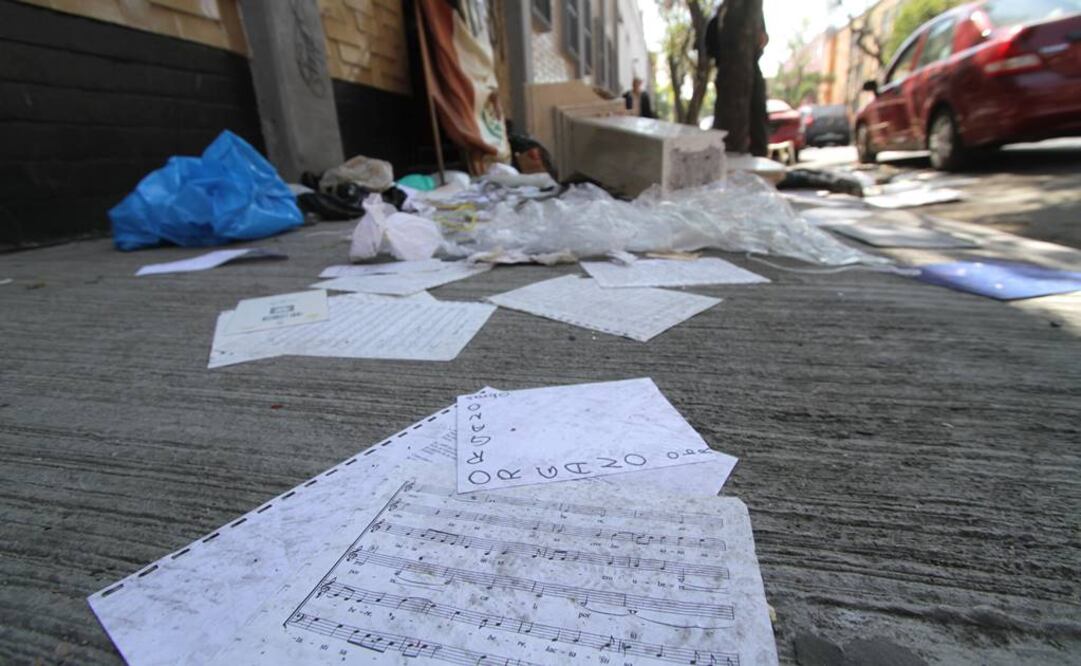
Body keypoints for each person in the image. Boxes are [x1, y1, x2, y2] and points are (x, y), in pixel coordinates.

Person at [705, 0, 769, 156]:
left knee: (757, 114)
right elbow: (709, 46)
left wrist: (762, 39)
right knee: (729, 124)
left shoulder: (752, 9)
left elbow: (763, 37)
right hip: (727, 71)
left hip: (751, 67)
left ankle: (757, 152)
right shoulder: (719, 16)